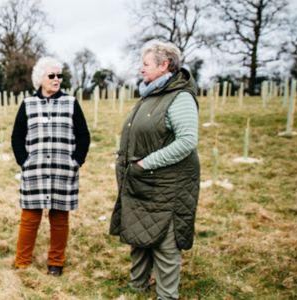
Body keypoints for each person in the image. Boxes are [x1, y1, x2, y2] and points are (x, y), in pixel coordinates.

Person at [109, 40, 200, 300]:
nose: (141, 69)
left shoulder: (180, 96)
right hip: (142, 181)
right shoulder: (151, 94)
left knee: (166, 241)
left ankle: (167, 295)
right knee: (138, 232)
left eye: (146, 64)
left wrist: (144, 163)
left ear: (164, 65)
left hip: (166, 184)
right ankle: (137, 284)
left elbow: (187, 141)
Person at [10, 57, 90, 276]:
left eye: (59, 76)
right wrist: (23, 161)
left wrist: (76, 161)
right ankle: (22, 262)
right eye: (51, 76)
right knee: (29, 218)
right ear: (40, 79)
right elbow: (17, 136)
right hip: (35, 170)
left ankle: (56, 262)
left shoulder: (71, 103)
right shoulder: (28, 104)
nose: (56, 80)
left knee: (59, 219)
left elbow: (83, 135)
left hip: (63, 170)